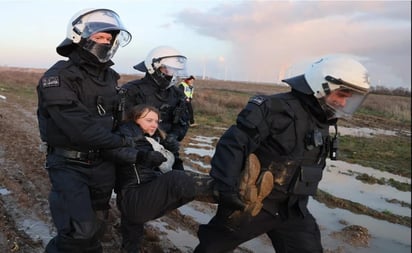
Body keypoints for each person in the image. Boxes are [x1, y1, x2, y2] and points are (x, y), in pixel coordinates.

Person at [194, 55, 371, 253]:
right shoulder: (273, 108)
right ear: (321, 86)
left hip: (294, 210)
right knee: (212, 248)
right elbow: (233, 144)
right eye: (341, 95)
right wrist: (227, 188)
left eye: (348, 98)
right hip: (255, 203)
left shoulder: (322, 119)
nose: (343, 103)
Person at [103, 104, 273, 253]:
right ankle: (238, 190)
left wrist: (173, 154)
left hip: (145, 200)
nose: (155, 124)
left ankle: (242, 195)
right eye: (149, 120)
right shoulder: (125, 135)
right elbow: (113, 152)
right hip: (134, 199)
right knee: (176, 179)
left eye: (157, 121)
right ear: (135, 119)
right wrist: (142, 156)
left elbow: (173, 169)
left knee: (180, 180)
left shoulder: (154, 141)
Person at [36, 8, 134, 253]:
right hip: (70, 166)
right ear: (79, 36)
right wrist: (124, 144)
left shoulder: (111, 77)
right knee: (78, 232)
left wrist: (137, 137)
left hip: (103, 166)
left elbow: (119, 120)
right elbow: (79, 128)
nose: (106, 42)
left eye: (110, 39)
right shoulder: (59, 76)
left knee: (97, 229)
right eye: (101, 37)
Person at [121, 45, 191, 170]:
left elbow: (183, 123)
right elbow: (122, 123)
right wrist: (146, 142)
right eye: (168, 70)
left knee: (180, 180)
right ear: (154, 68)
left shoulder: (177, 94)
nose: (172, 74)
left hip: (167, 152)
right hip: (139, 152)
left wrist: (173, 137)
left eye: (175, 71)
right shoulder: (132, 90)